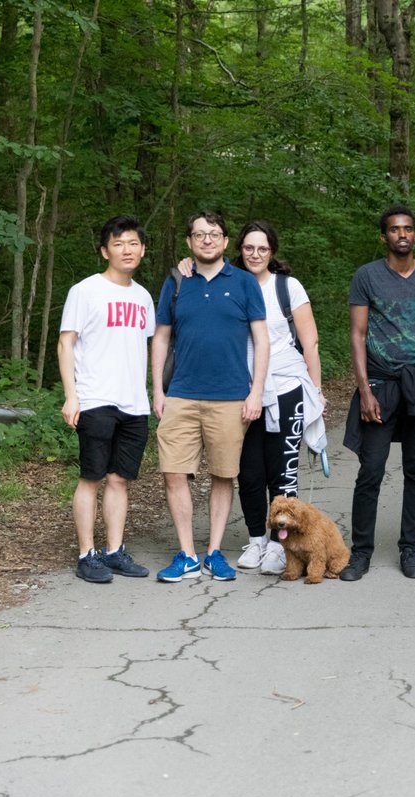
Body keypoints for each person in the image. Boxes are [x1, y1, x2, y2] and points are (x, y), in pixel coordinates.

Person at [178, 221, 327, 577]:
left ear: (272, 251)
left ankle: (281, 545)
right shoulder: (230, 285)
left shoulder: (286, 287)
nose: (255, 254)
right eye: (249, 248)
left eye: (262, 248)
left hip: (287, 386)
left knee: (282, 469)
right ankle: (257, 539)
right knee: (247, 470)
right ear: (238, 250)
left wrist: (317, 391)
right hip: (240, 388)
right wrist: (187, 265)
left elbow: (310, 343)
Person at [150, 211, 269, 583]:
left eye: (214, 234)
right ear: (189, 241)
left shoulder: (246, 283)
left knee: (223, 474)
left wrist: (256, 392)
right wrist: (157, 388)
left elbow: (262, 341)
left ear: (224, 241)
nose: (206, 240)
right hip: (181, 395)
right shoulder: (177, 282)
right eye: (199, 234)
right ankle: (186, 554)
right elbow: (162, 338)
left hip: (232, 397)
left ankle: (214, 552)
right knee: (173, 473)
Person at [342, 205, 415, 581]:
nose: (402, 234)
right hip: (380, 384)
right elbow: (357, 335)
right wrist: (364, 390)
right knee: (370, 470)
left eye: (408, 229)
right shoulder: (367, 277)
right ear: (384, 236)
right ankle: (360, 553)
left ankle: (410, 550)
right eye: (394, 229)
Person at [57, 215, 155, 583]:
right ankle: (87, 554)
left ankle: (114, 551)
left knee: (119, 480)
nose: (126, 250)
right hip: (95, 398)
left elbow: (143, 347)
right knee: (91, 477)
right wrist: (72, 396)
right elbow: (65, 343)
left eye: (133, 243)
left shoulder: (144, 296)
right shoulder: (85, 291)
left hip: (134, 403)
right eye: (118, 244)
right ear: (104, 251)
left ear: (142, 249)